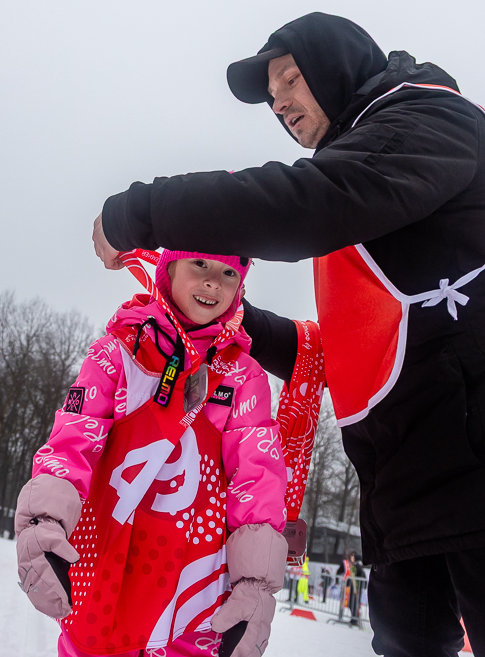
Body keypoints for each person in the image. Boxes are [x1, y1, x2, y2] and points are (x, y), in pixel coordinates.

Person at [91, 12, 485, 656]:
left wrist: (141, 212)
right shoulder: (369, 173)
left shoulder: (427, 118)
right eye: (272, 94)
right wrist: (222, 316)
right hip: (413, 462)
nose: (279, 102)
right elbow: (336, 351)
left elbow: (308, 204)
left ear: (338, 67)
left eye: (289, 78)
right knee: (406, 640)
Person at [15, 251, 289, 657]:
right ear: (169, 268)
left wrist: (255, 585)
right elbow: (72, 442)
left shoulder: (243, 376)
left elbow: (257, 478)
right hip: (105, 564)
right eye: (201, 265)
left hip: (193, 587)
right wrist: (44, 525)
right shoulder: (117, 353)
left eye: (229, 272)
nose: (214, 282)